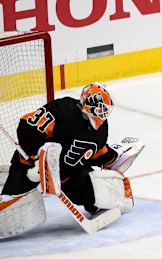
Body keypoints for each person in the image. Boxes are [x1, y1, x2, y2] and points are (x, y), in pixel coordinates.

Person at [0, 82, 144, 239]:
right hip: (32, 166)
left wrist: (113, 159)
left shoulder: (101, 129)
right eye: (100, 109)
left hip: (68, 174)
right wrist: (33, 156)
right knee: (10, 204)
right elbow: (29, 125)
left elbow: (96, 152)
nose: (103, 115)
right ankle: (11, 196)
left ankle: (107, 197)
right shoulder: (63, 110)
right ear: (88, 105)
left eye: (105, 111)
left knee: (95, 196)